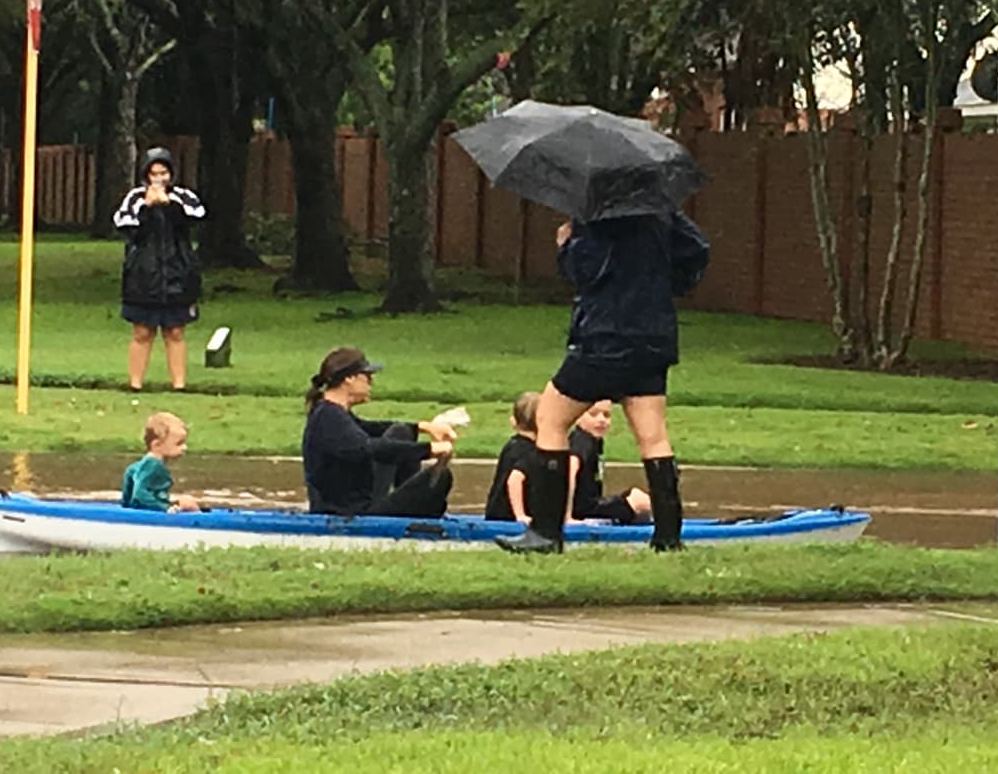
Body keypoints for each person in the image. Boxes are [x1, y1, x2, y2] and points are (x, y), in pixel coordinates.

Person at [497, 211, 710, 554]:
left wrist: (566, 245)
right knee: (653, 437)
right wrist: (664, 284)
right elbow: (697, 249)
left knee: (549, 418)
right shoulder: (661, 212)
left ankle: (546, 533)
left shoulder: (597, 216)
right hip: (653, 338)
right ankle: (668, 537)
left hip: (604, 338)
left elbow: (585, 272)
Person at [301, 346, 458, 517]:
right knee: (441, 478)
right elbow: (369, 448)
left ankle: (408, 506)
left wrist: (422, 426)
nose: (371, 383)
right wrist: (429, 449)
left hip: (358, 506)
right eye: (367, 377)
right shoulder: (328, 416)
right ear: (349, 378)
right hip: (347, 513)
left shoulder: (332, 412)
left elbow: (370, 429)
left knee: (401, 431)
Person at [113, 147, 206, 392]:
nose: (159, 179)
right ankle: (135, 384)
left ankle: (179, 385)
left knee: (175, 331)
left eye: (163, 173)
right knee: (142, 331)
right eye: (153, 174)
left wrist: (169, 207)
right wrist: (147, 207)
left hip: (178, 274)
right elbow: (125, 226)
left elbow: (197, 217)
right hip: (143, 277)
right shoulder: (134, 198)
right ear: (145, 176)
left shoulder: (183, 197)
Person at [566, 399, 652, 525]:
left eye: (606, 415)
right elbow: (569, 471)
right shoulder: (581, 442)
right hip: (584, 509)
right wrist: (567, 516)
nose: (601, 420)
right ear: (577, 417)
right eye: (593, 414)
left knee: (636, 494)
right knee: (639, 502)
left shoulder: (593, 441)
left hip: (592, 503)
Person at [121, 411, 201, 512]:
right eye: (179, 443)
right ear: (157, 445)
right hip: (146, 511)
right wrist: (166, 508)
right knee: (188, 502)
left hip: (142, 508)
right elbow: (139, 494)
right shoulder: (153, 465)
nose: (184, 447)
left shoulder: (144, 464)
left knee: (186, 501)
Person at [484, 391, 541, 523]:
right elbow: (514, 480)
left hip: (495, 512)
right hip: (507, 516)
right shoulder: (529, 451)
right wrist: (520, 515)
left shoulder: (512, 445)